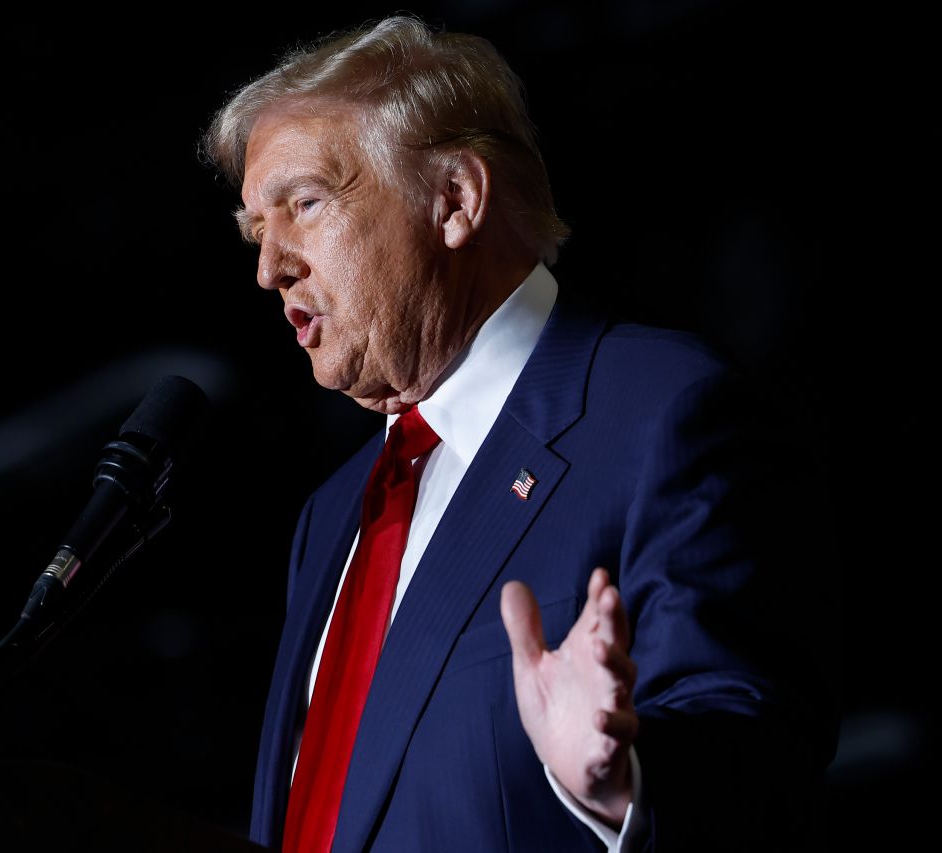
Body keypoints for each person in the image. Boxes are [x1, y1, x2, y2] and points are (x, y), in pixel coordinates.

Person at [205, 15, 837, 852]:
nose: (268, 266)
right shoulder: (330, 517)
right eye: (257, 231)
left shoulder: (662, 411)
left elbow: (757, 758)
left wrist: (623, 785)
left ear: (455, 200)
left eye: (306, 204)